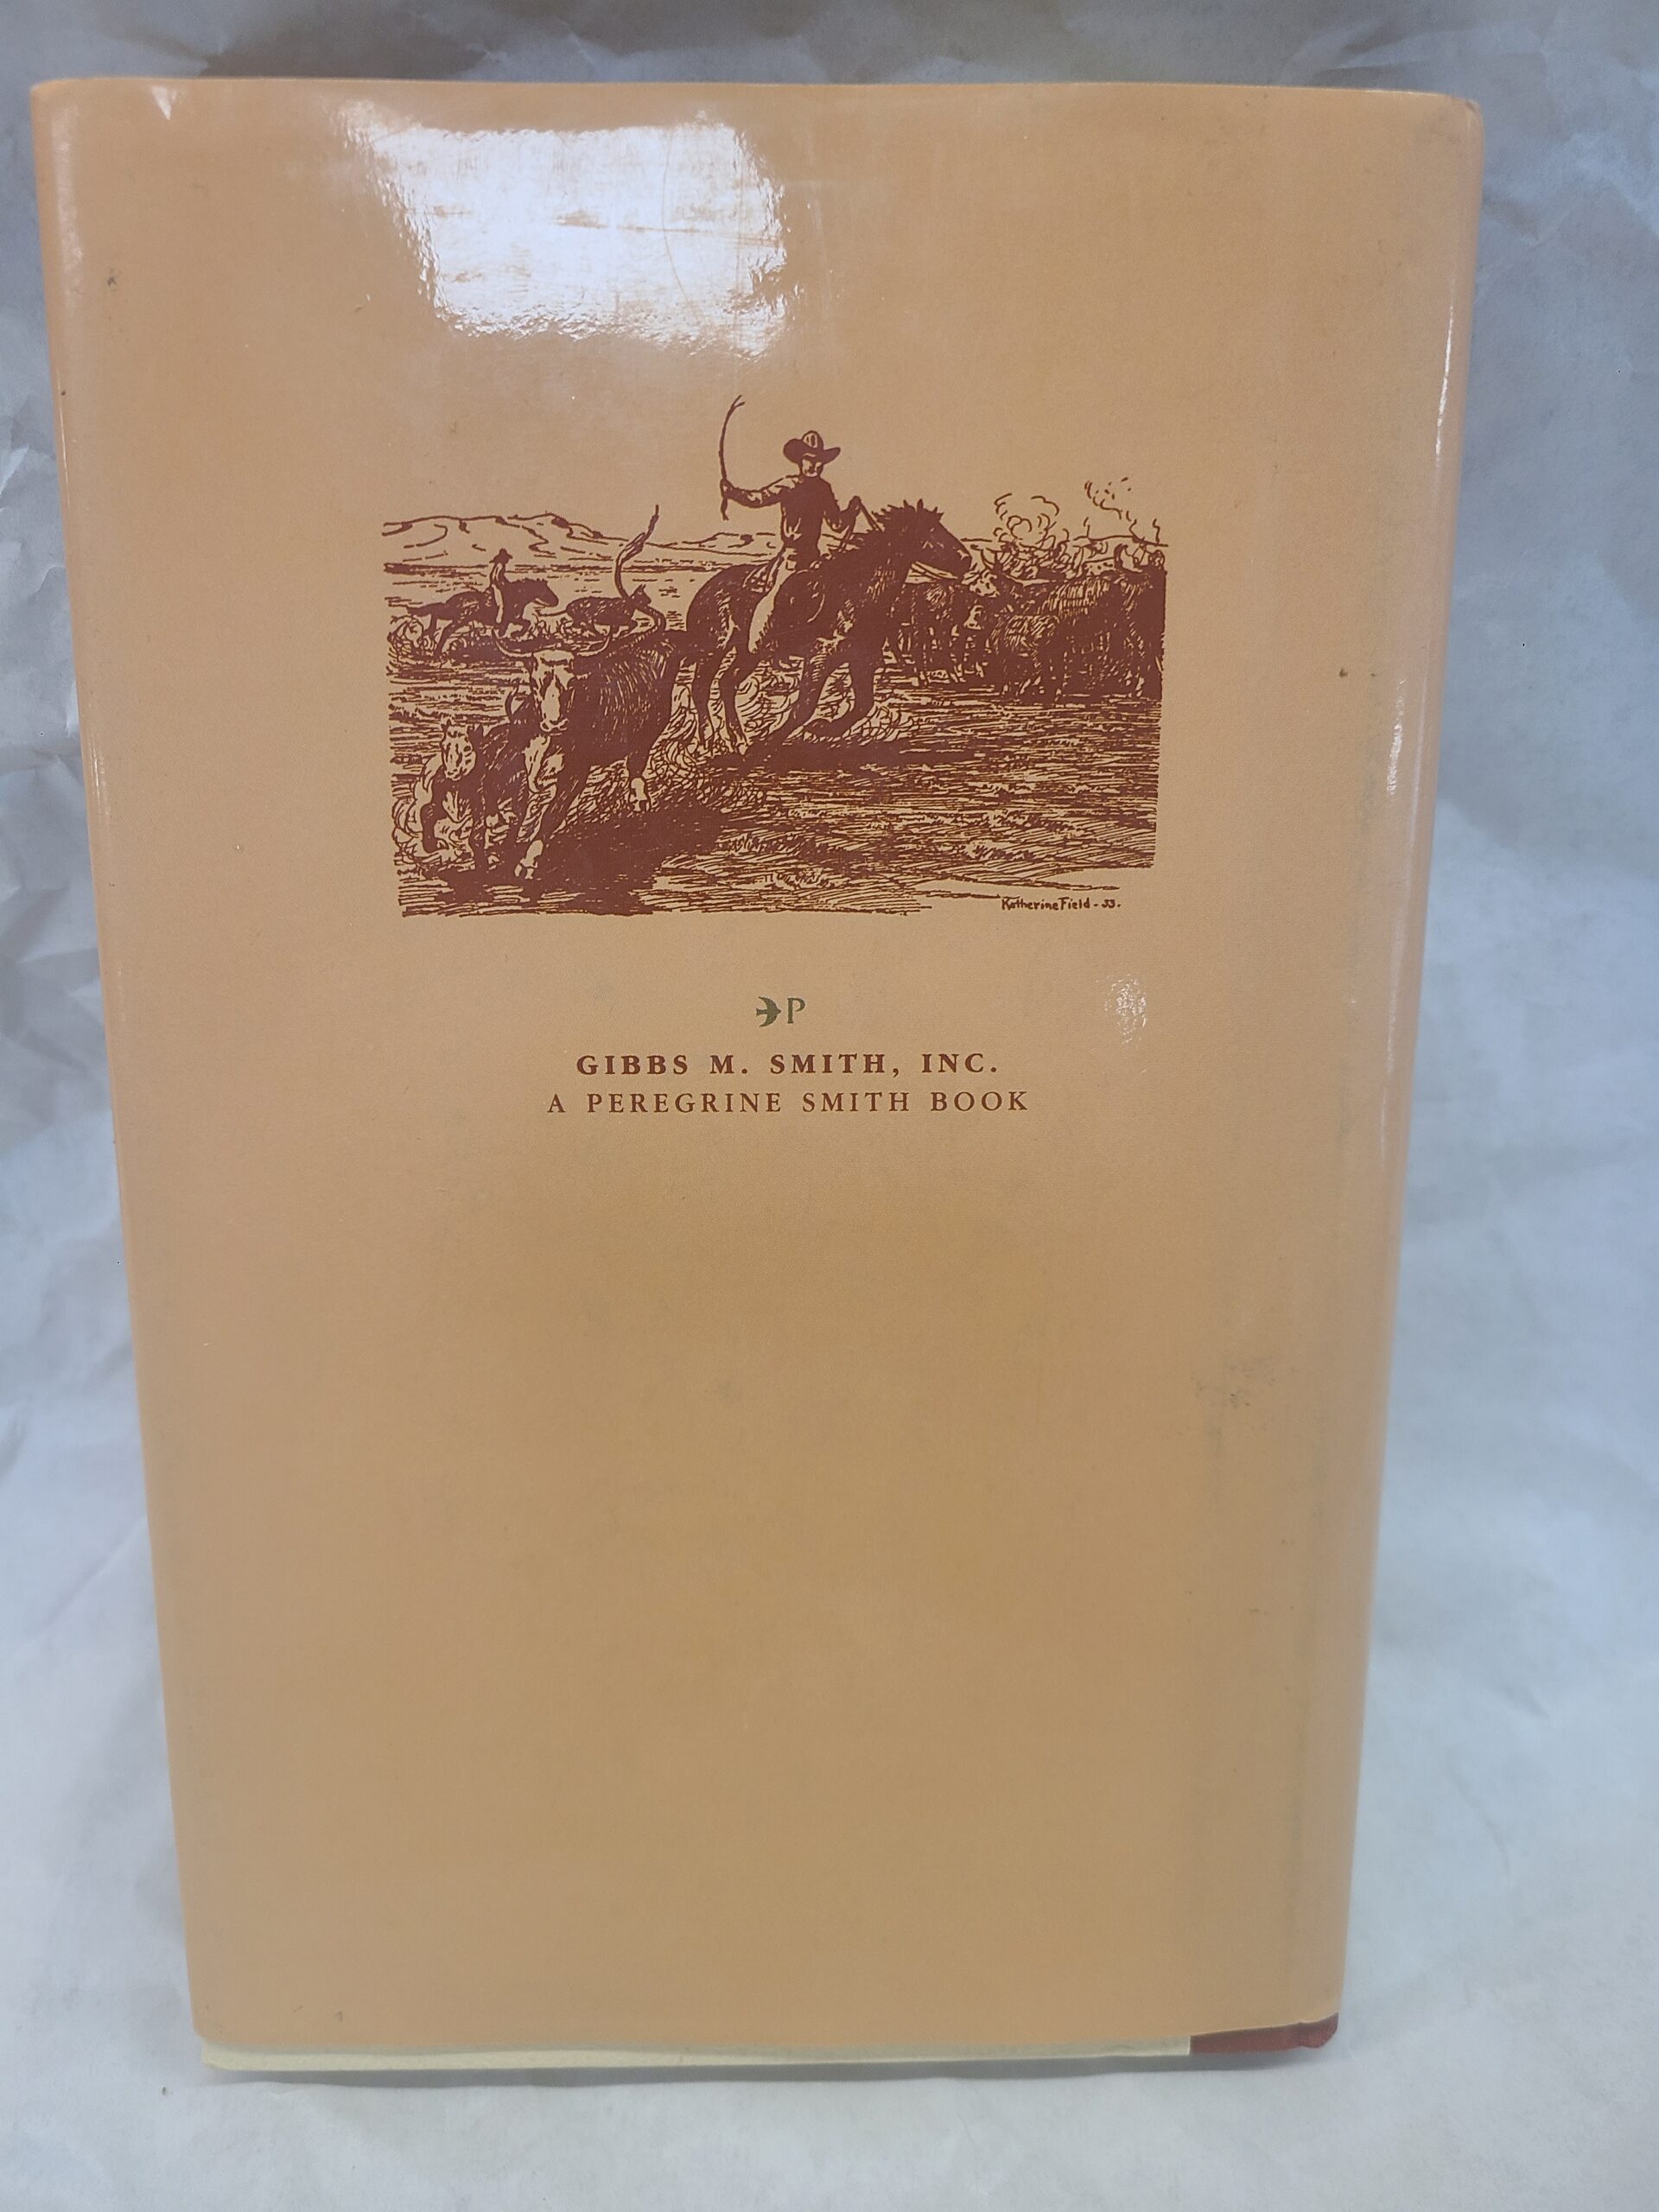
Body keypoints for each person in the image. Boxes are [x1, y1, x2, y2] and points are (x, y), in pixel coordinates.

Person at [721, 429, 866, 653]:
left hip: (814, 557)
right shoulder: (788, 485)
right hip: (791, 558)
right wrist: (732, 493)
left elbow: (836, 524)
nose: (815, 466)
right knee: (776, 598)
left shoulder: (824, 489)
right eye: (810, 460)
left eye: (819, 462)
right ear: (801, 461)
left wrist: (851, 512)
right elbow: (758, 498)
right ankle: (761, 645)